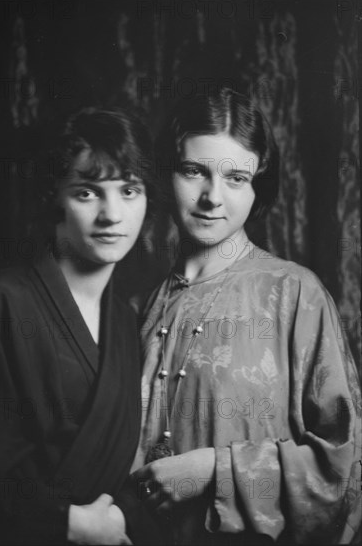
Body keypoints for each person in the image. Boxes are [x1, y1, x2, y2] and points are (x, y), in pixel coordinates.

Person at [131, 90, 361, 545]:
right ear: (166, 173)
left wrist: (215, 471)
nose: (212, 197)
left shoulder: (294, 293)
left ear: (258, 188)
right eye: (193, 170)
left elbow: (348, 465)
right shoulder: (145, 303)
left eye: (236, 177)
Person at [0, 106, 161, 545]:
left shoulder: (126, 320)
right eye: (87, 193)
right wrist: (72, 524)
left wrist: (119, 521)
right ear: (54, 196)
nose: (112, 215)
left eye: (129, 191)